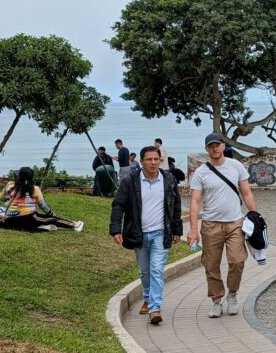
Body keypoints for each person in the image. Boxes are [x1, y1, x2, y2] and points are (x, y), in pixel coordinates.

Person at [187, 132, 258, 319]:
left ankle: (232, 294)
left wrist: (256, 217)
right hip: (211, 224)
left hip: (235, 222)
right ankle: (216, 300)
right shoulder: (201, 173)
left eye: (217, 145)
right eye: (210, 146)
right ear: (206, 149)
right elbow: (195, 202)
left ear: (223, 146)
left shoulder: (236, 166)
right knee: (211, 264)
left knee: (237, 260)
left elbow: (247, 193)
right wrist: (193, 230)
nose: (214, 149)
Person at [110, 147, 183, 325]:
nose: (153, 163)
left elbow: (176, 204)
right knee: (145, 271)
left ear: (160, 160)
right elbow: (118, 205)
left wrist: (177, 229)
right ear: (141, 161)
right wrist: (115, 229)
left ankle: (154, 308)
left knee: (157, 269)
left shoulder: (168, 179)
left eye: (156, 159)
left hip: (160, 233)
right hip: (139, 234)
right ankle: (148, 296)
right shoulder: (131, 181)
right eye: (149, 159)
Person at [0, 167, 84, 232]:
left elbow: (1, 198)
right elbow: (43, 205)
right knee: (52, 219)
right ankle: (75, 225)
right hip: (28, 218)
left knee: (37, 222)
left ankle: (44, 228)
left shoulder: (10, 185)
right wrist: (52, 214)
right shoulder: (35, 189)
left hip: (10, 220)